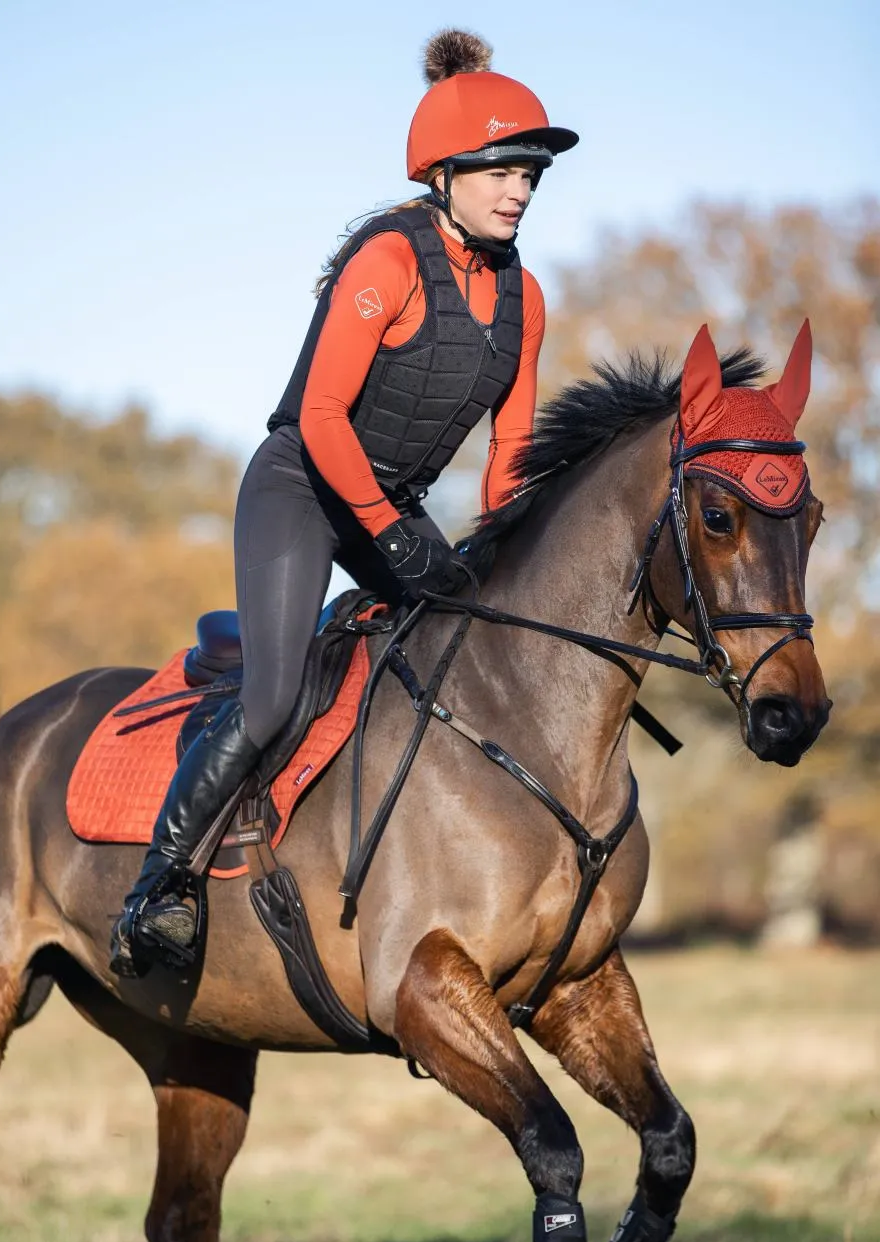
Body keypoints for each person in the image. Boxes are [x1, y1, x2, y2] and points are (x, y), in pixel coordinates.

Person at [109, 29, 578, 976]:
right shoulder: (389, 263)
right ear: (445, 174)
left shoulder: (525, 298)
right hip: (300, 489)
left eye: (530, 171)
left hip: (388, 506)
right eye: (500, 169)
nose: (520, 188)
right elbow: (322, 416)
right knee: (277, 692)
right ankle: (158, 885)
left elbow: (510, 456)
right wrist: (394, 536)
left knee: (466, 654)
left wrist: (501, 558)